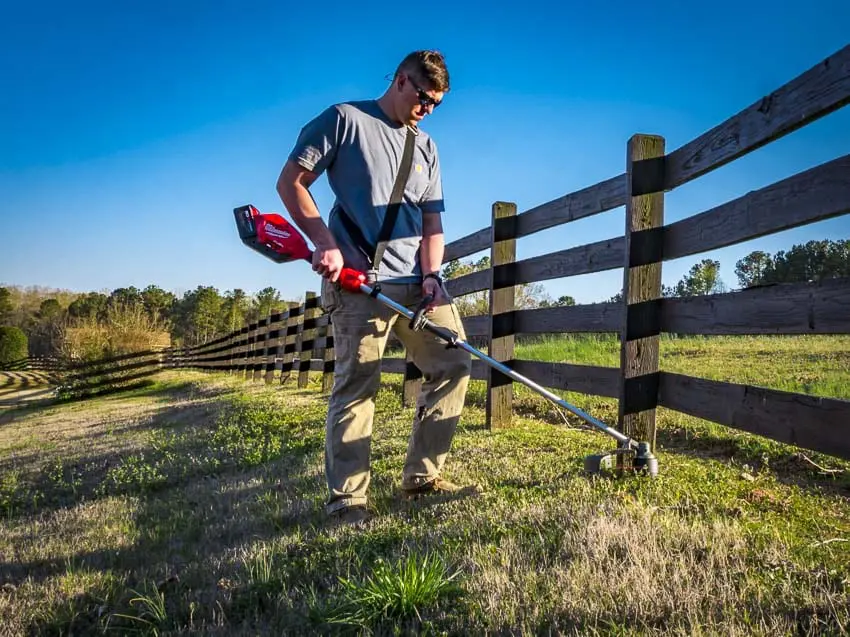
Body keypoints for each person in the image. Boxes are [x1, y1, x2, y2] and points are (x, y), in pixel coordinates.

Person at [276, 50, 474, 526]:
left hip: (415, 285)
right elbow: (291, 183)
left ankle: (422, 477)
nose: (428, 110)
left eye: (438, 104)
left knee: (454, 361)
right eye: (425, 99)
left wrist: (432, 276)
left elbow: (432, 224)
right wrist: (325, 244)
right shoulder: (344, 120)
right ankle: (348, 501)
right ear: (402, 80)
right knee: (358, 384)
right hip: (358, 285)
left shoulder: (426, 147)